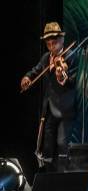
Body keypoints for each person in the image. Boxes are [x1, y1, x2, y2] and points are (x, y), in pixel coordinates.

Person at [20, 22, 78, 172]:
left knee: (62, 143)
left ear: (62, 40)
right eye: (49, 43)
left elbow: (72, 81)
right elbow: (36, 70)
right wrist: (27, 77)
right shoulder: (46, 58)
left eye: (55, 42)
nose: (52, 46)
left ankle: (63, 177)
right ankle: (49, 177)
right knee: (48, 145)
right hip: (50, 108)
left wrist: (61, 77)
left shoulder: (71, 56)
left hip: (67, 109)